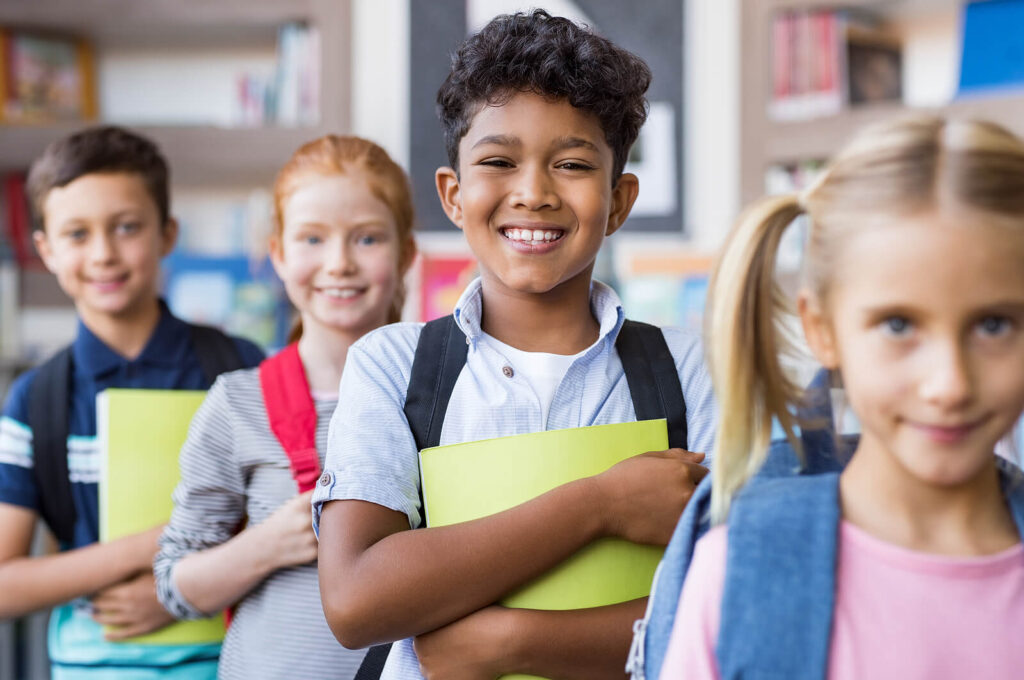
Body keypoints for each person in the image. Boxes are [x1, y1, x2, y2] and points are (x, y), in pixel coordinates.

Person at [314, 11, 717, 680]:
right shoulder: (393, 365)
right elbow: (358, 600)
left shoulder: (690, 367)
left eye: (572, 164)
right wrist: (602, 504)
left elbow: (726, 601)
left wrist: (509, 642)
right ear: (453, 194)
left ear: (618, 202)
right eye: (499, 162)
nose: (533, 193)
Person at [660, 115, 1024, 679]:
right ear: (822, 329)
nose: (950, 385)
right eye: (899, 325)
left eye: (995, 325)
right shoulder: (740, 577)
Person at [0, 126, 264, 679]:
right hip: (90, 665)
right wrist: (153, 547)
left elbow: (286, 520)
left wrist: (177, 591)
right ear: (45, 249)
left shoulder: (241, 368)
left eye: (126, 227)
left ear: (167, 234)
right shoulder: (36, 400)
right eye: (77, 234)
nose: (103, 254)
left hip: (235, 660)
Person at [153, 135, 417, 680]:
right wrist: (267, 545)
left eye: (367, 238)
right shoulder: (236, 404)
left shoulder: (450, 393)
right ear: (277, 254)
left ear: (406, 253)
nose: (339, 263)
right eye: (312, 239)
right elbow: (176, 584)